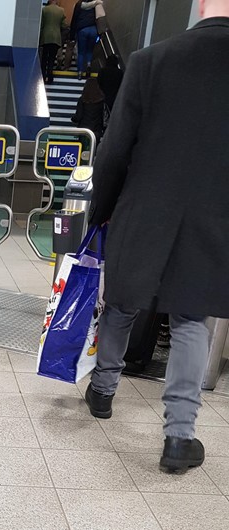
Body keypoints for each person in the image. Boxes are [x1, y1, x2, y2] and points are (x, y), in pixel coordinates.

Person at [85, 0, 229, 474]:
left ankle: (103, 391)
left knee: (123, 303)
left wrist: (99, 213)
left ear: (202, 7)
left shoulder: (151, 61)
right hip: (214, 219)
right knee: (190, 321)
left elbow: (113, 152)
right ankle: (179, 439)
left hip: (144, 211)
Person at [70, 0, 99, 77]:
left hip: (82, 29)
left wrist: (71, 35)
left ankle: (80, 72)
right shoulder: (95, 4)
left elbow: (74, 19)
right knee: (89, 51)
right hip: (93, 29)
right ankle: (89, 65)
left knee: (81, 52)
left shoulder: (79, 4)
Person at [71, 77, 105, 142]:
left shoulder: (82, 99)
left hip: (84, 130)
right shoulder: (101, 100)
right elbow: (103, 116)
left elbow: (78, 116)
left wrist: (73, 119)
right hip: (96, 131)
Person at [40, 0, 66, 84]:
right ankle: (50, 76)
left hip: (45, 36)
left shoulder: (44, 10)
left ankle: (43, 77)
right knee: (52, 58)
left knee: (44, 58)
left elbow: (41, 24)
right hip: (56, 37)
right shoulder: (61, 10)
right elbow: (63, 25)